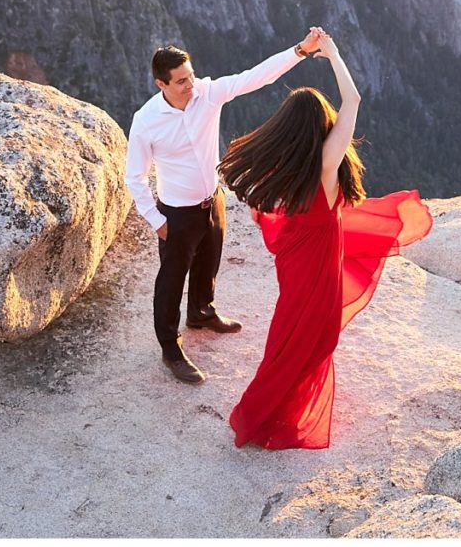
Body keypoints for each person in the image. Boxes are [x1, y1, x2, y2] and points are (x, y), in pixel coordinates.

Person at [220, 28, 432, 450]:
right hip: (318, 271)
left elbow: (268, 216)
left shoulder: (286, 171)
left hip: (295, 270)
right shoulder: (324, 165)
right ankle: (265, 414)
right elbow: (352, 101)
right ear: (321, 126)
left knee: (288, 342)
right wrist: (333, 54)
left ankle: (265, 410)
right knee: (316, 341)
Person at [127, 30, 323, 384]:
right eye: (182, 81)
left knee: (209, 263)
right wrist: (157, 221)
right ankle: (170, 348)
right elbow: (134, 178)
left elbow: (255, 77)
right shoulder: (146, 121)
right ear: (161, 84)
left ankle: (201, 313)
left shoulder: (208, 93)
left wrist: (300, 50)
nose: (192, 84)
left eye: (191, 75)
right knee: (171, 282)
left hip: (211, 201)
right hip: (176, 212)